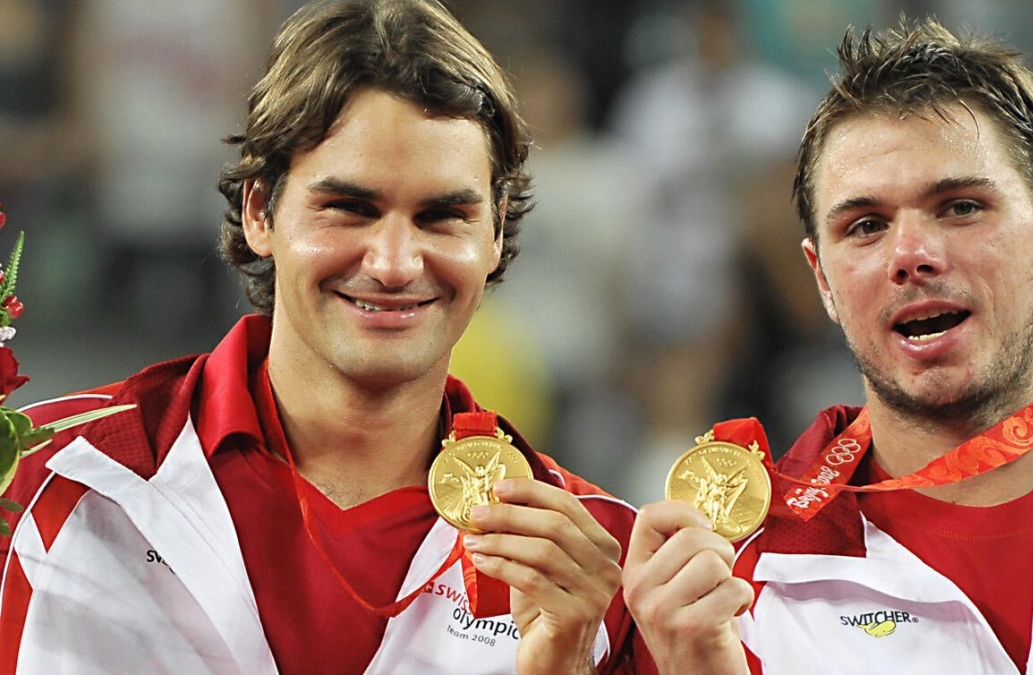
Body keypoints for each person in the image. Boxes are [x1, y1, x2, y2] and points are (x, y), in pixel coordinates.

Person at [0, 1, 641, 673]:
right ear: (260, 210)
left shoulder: (601, 569)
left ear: (496, 231)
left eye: (442, 216)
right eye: (350, 208)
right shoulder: (41, 478)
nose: (394, 264)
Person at [622, 18, 1033, 675]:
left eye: (960, 207)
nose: (911, 254)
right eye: (866, 225)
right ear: (823, 281)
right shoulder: (727, 595)